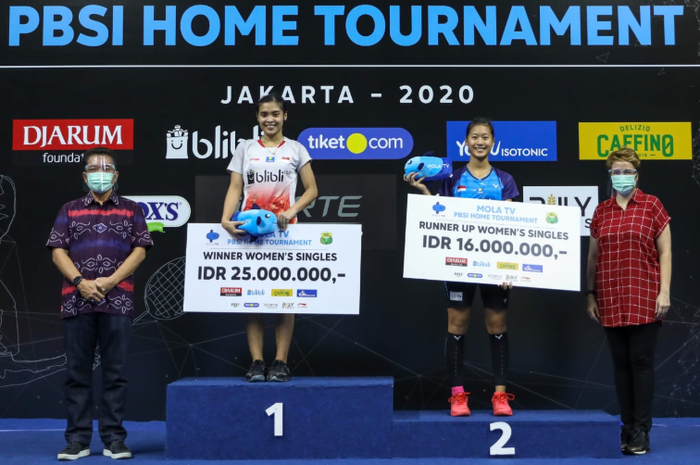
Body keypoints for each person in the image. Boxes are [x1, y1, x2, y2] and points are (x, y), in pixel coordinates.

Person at [404, 117, 518, 416]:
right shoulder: (451, 179)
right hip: (458, 264)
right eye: (474, 136)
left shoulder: (505, 180)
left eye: (485, 136)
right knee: (457, 325)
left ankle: (500, 396)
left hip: (495, 266)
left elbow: (513, 229)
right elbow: (440, 218)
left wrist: (510, 268)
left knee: (497, 326)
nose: (480, 141)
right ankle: (457, 396)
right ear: (465, 142)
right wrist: (423, 193)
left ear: (493, 142)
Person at [47, 147, 153, 461]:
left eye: (106, 168)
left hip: (117, 301)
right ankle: (77, 441)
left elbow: (140, 250)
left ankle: (114, 440)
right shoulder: (69, 209)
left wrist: (108, 282)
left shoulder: (132, 210)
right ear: (84, 176)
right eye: (93, 168)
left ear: (116, 175)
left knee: (115, 374)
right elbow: (57, 251)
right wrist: (81, 282)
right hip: (76, 303)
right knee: (76, 373)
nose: (100, 173)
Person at [221, 93, 318, 383]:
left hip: (285, 232)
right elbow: (235, 187)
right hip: (250, 231)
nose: (270, 119)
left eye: (275, 114)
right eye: (264, 114)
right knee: (253, 299)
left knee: (284, 299)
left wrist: (291, 211)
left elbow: (312, 189)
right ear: (257, 117)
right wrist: (226, 219)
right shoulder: (245, 148)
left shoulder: (297, 149)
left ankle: (280, 362)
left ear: (285, 116)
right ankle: (257, 362)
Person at [586, 147, 671, 455]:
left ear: (637, 174)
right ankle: (626, 426)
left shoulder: (652, 205)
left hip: (645, 295)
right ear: (610, 175)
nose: (621, 176)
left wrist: (664, 291)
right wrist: (590, 294)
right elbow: (593, 256)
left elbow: (665, 252)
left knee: (642, 363)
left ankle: (641, 430)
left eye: (627, 171)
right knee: (621, 366)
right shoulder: (601, 211)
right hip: (609, 298)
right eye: (616, 171)